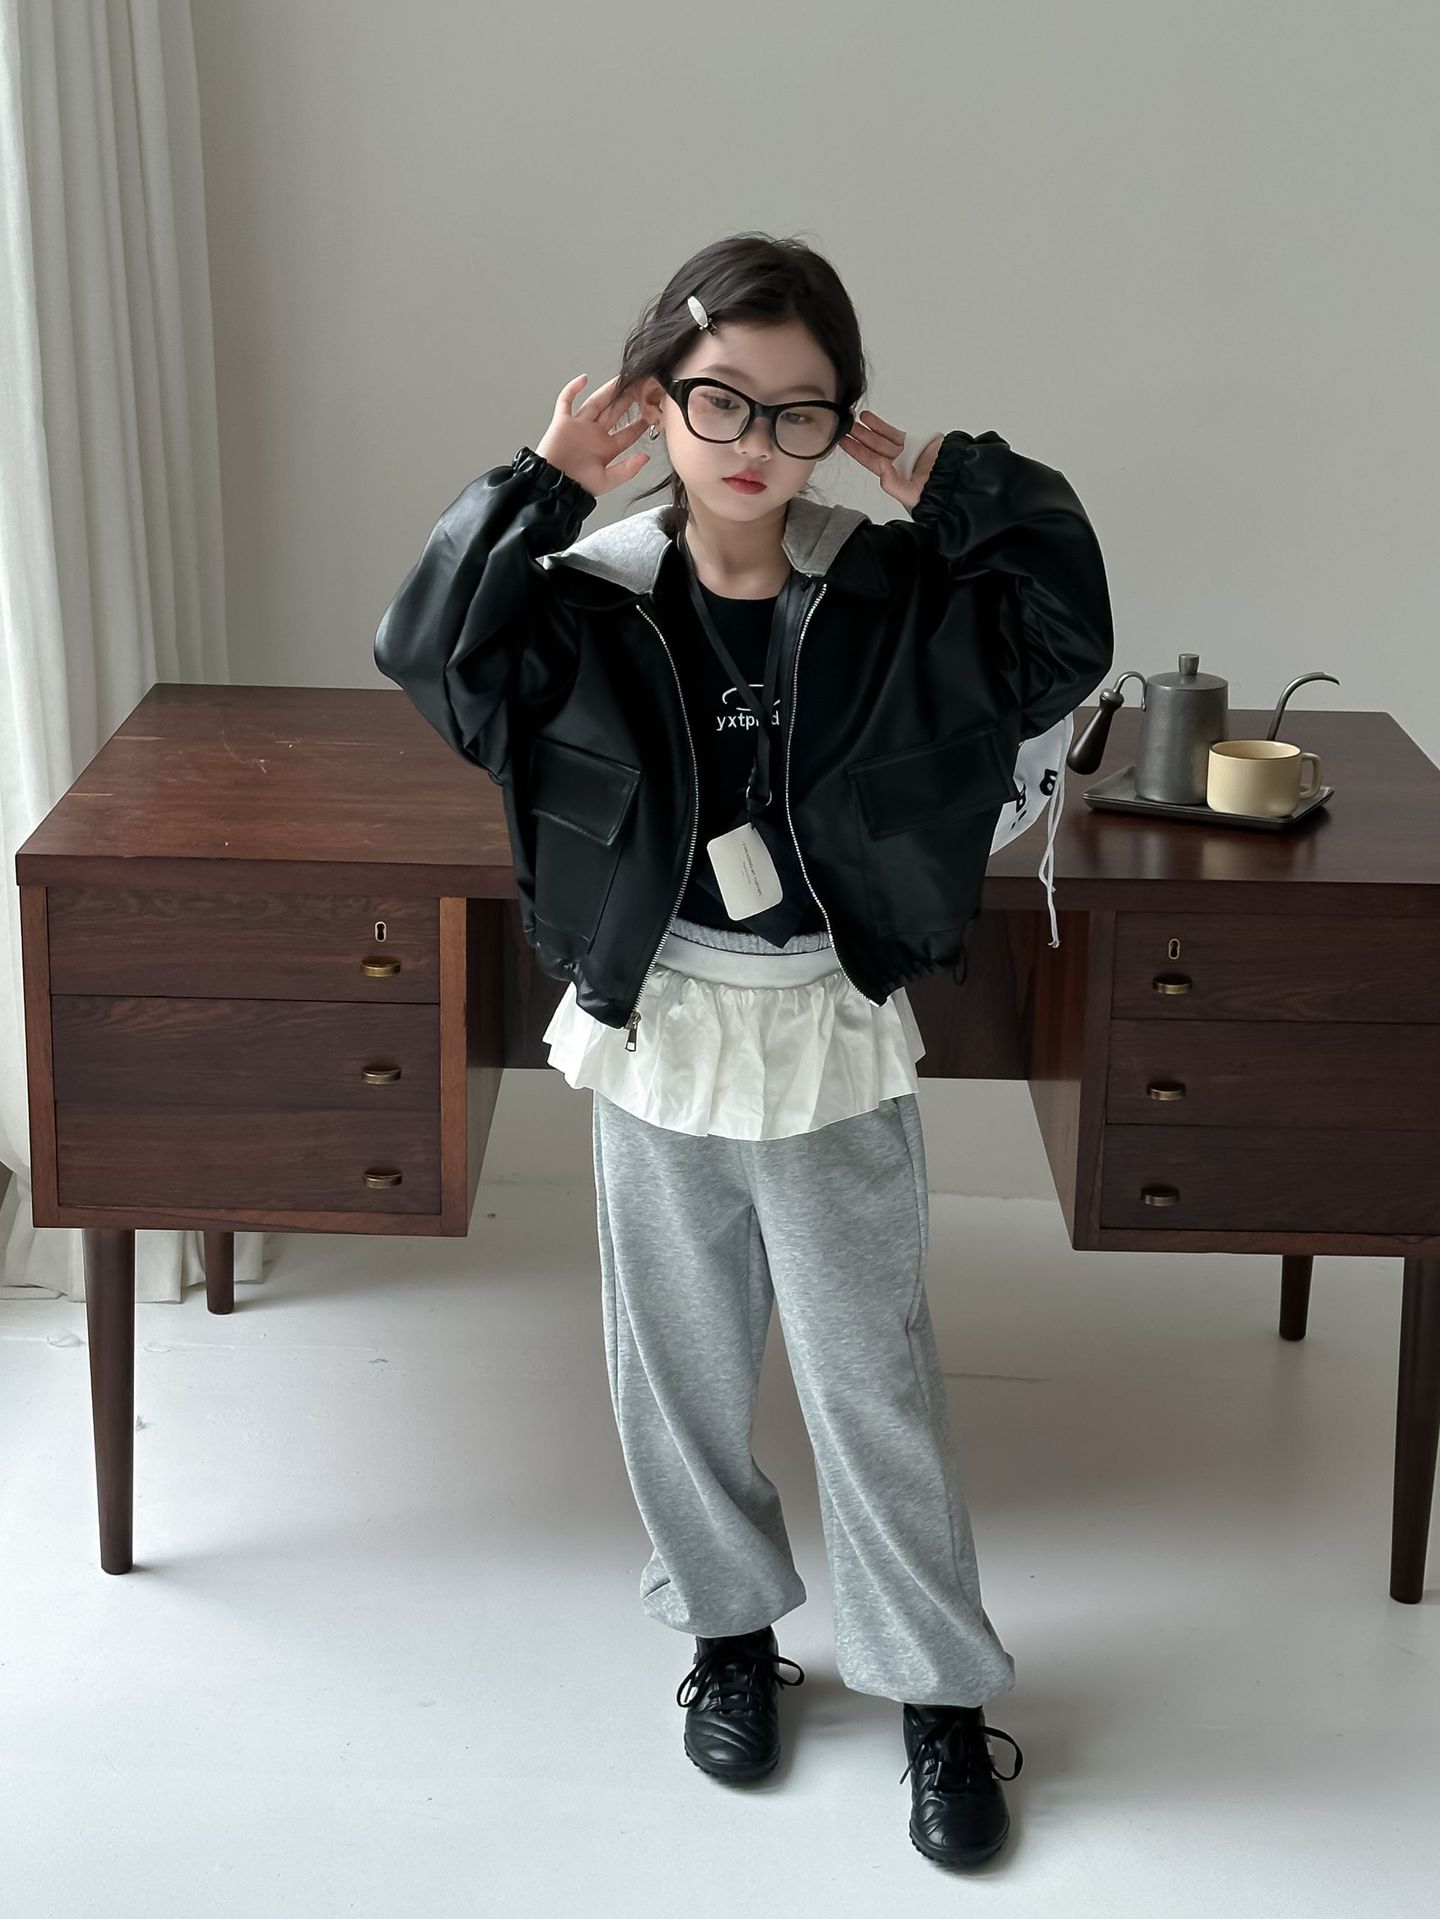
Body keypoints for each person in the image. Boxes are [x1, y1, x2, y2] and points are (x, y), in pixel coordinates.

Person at [374, 231, 1113, 1870]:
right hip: (659, 1033)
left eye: (799, 410)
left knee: (873, 1385)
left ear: (841, 421)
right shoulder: (584, 597)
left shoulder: (894, 592)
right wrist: (539, 487)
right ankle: (728, 1636)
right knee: (678, 1372)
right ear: (656, 400)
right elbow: (429, 652)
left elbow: (1063, 639)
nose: (756, 442)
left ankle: (936, 1693)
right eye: (720, 400)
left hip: (825, 1034)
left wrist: (961, 487)